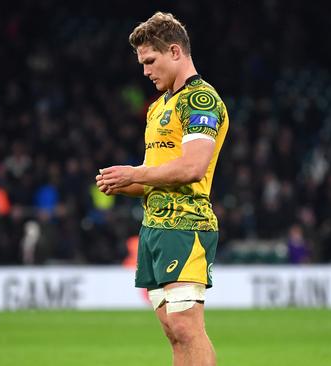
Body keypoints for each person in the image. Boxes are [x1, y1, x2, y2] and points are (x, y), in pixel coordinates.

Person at [96, 12, 229, 366]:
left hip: (186, 225)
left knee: (187, 328)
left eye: (150, 61)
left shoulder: (200, 101)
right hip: (152, 229)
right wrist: (123, 182)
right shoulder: (158, 108)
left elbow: (192, 167)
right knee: (173, 332)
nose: (145, 71)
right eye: (141, 63)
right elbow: (156, 175)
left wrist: (135, 173)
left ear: (175, 51)